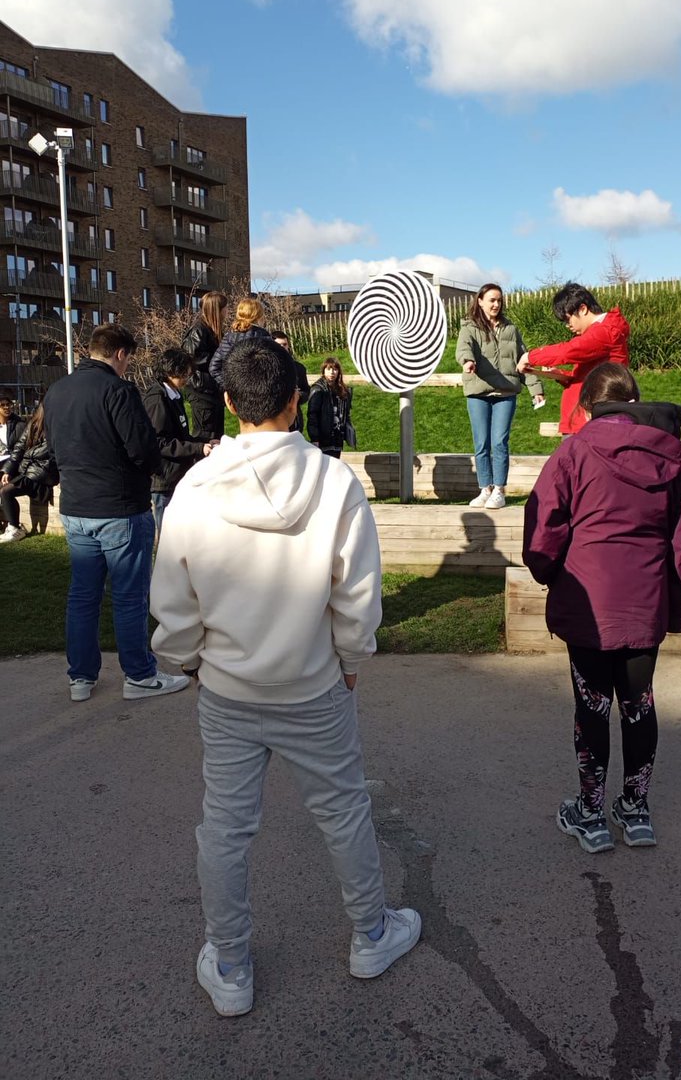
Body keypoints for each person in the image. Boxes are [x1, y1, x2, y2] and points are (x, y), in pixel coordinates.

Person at [149, 338, 421, 1017]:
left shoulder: (195, 489)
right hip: (314, 684)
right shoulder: (333, 484)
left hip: (229, 689)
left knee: (226, 829)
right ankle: (369, 934)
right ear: (297, 401)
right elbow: (357, 593)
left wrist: (187, 663)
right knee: (342, 812)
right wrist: (351, 660)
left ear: (231, 405)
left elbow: (173, 602)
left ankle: (232, 965)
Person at [523, 363, 681, 852]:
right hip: (644, 602)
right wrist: (674, 606)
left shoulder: (573, 452)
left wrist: (547, 571)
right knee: (639, 706)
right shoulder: (673, 459)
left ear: (587, 407)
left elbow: (543, 526)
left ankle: (591, 813)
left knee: (592, 707)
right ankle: (636, 809)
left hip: (590, 603)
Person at [42, 324, 189, 704]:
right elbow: (142, 447)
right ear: (120, 354)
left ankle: (81, 676)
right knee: (128, 597)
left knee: (83, 596)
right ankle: (139, 675)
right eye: (128, 359)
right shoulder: (118, 390)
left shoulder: (57, 390)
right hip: (120, 507)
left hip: (76, 507)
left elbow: (52, 446)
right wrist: (152, 470)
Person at [455, 283, 545, 510]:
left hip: (505, 392)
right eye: (492, 300)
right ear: (480, 301)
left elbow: (523, 360)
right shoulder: (469, 327)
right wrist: (468, 361)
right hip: (478, 392)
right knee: (481, 443)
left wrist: (536, 389)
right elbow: (464, 347)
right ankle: (484, 489)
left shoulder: (511, 330)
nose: (496, 304)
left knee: (499, 442)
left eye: (499, 300)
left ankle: (499, 490)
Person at [517, 282, 630, 436]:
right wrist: (562, 375)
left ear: (582, 309)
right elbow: (590, 375)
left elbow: (568, 351)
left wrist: (530, 356)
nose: (567, 325)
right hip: (583, 421)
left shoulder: (605, 331)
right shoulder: (601, 331)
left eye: (568, 319)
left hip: (589, 425)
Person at [142, 348, 214, 534]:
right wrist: (198, 448)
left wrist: (205, 441)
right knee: (168, 536)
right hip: (164, 480)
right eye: (184, 374)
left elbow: (180, 436)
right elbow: (159, 442)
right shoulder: (157, 400)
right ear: (170, 371)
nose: (187, 378)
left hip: (177, 475)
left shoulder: (175, 395)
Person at [0, 400, 59, 542]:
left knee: (6, 491)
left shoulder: (57, 426)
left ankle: (15, 528)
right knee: (3, 485)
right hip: (28, 469)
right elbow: (19, 447)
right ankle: (12, 526)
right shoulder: (33, 425)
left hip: (42, 472)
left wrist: (28, 453)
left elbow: (47, 451)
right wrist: (7, 470)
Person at [183, 292, 228, 441]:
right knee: (205, 436)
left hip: (212, 392)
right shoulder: (199, 330)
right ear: (217, 309)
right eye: (225, 308)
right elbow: (191, 356)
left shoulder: (212, 330)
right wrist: (219, 359)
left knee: (216, 436)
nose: (227, 312)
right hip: (202, 392)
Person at [208, 298, 270, 390]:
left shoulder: (229, 337)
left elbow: (214, 368)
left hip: (237, 393)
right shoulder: (264, 336)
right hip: (260, 391)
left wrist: (231, 387)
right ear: (258, 316)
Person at [307, 357, 355, 459]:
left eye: (335, 369)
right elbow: (312, 415)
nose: (332, 372)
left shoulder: (343, 390)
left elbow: (346, 414)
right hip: (323, 438)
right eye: (328, 369)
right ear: (323, 370)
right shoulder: (318, 389)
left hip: (338, 437)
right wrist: (314, 438)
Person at [271, 329, 311, 434]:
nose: (282, 348)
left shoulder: (299, 368)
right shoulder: (265, 369)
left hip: (294, 418)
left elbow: (306, 390)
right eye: (279, 345)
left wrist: (297, 396)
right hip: (272, 419)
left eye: (285, 344)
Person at [0, 388, 25, 477]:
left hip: (12, 464)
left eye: (8, 404)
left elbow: (19, 449)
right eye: (2, 405)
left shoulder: (19, 424)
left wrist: (8, 468)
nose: (6, 407)